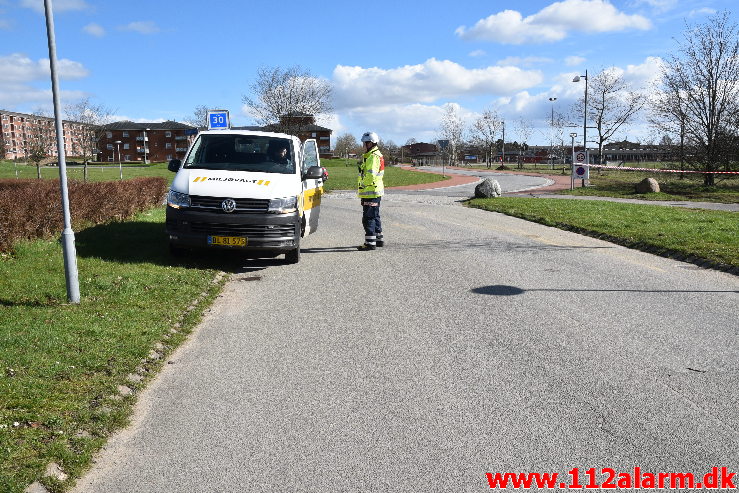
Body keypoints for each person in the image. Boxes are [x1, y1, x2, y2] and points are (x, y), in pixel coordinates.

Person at [356, 131, 385, 251]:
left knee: (368, 218)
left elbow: (370, 175)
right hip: (375, 191)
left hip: (370, 191)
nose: (363, 145)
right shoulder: (375, 155)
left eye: (365, 143)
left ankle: (370, 243)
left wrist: (363, 185)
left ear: (370, 143)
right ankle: (378, 239)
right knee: (375, 215)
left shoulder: (373, 157)